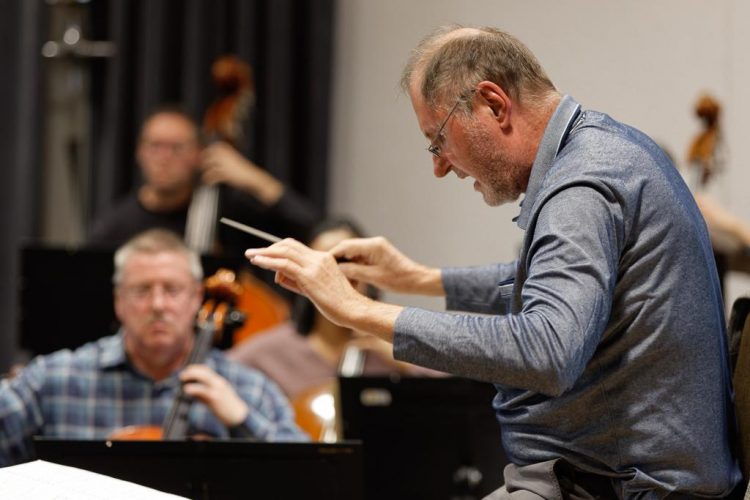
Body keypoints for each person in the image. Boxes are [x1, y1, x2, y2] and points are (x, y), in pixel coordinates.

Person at [245, 25, 741, 498]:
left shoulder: (582, 185)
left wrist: (358, 311)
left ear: (494, 104)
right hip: (599, 475)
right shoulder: (604, 148)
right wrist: (417, 278)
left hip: (623, 486)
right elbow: (555, 286)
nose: (439, 166)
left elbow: (547, 349)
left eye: (438, 141)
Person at [0, 229, 306, 467]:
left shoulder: (246, 390)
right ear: (119, 301)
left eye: (172, 290)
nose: (158, 305)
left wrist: (242, 420)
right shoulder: (55, 379)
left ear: (196, 298)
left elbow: (313, 474)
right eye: (142, 290)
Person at [227, 217, 441, 401]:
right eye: (323, 263)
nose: (335, 273)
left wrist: (399, 356)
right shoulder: (271, 351)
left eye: (346, 260)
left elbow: (460, 391)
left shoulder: (391, 347)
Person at [88, 107, 320, 255]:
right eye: (155, 146)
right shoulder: (113, 228)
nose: (164, 158)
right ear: (139, 152)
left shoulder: (230, 215)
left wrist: (256, 180)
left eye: (177, 148)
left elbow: (316, 230)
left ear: (200, 154)